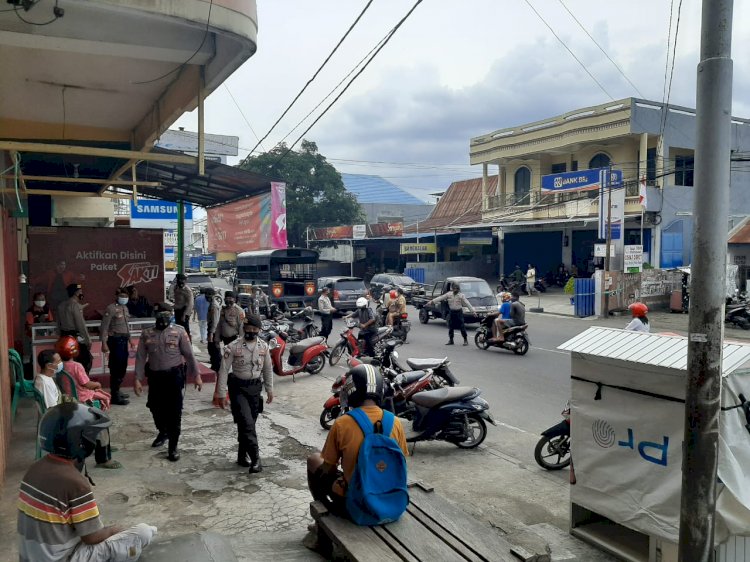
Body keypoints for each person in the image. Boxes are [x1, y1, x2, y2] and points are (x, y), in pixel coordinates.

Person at [18, 402, 156, 562]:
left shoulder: (33, 469)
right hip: (63, 558)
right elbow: (92, 537)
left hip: (30, 557)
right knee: (143, 532)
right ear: (81, 441)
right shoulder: (75, 483)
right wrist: (112, 531)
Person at [306, 364, 408, 517]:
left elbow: (329, 468)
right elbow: (402, 463)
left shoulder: (342, 423)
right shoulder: (395, 422)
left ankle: (322, 520)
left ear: (350, 391)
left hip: (357, 504)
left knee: (314, 460)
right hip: (392, 501)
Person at [134, 303, 202, 462]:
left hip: (174, 376)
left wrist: (196, 375)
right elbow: (140, 357)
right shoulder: (147, 333)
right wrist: (137, 379)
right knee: (154, 406)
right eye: (161, 313)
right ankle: (162, 431)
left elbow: (189, 355)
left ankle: (173, 447)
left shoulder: (179, 331)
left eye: (167, 313)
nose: (164, 316)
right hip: (155, 377)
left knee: (174, 411)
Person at [37, 346, 119, 469]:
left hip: (63, 411)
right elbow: (53, 409)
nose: (61, 364)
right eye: (58, 362)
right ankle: (103, 459)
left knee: (95, 415)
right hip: (62, 418)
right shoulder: (45, 383)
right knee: (100, 422)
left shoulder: (43, 378)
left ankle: (99, 446)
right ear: (49, 365)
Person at [215, 314, 273, 473]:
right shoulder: (233, 346)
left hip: (255, 388)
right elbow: (224, 370)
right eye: (248, 328)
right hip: (238, 388)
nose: (251, 331)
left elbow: (268, 369)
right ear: (243, 328)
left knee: (247, 424)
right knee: (247, 423)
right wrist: (221, 393)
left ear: (259, 330)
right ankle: (256, 459)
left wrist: (269, 389)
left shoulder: (263, 347)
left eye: (254, 329)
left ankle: (242, 455)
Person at [56, 336, 112, 411]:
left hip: (68, 395)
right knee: (106, 397)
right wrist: (98, 384)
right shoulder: (77, 366)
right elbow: (86, 384)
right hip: (81, 396)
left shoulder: (60, 366)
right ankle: (98, 415)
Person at [100, 288, 134, 406]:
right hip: (115, 341)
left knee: (123, 366)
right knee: (116, 367)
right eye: (121, 295)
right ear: (117, 296)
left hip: (123, 340)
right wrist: (103, 343)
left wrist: (130, 340)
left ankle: (117, 390)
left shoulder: (125, 308)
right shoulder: (111, 308)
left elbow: (126, 326)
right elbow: (104, 327)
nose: (124, 298)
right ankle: (114, 396)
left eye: (126, 296)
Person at [57, 283, 92, 374]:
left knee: (66, 362)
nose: (82, 293)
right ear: (76, 293)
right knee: (85, 360)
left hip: (64, 337)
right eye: (80, 291)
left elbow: (58, 323)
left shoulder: (61, 305)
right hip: (75, 337)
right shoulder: (75, 305)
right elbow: (81, 325)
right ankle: (82, 383)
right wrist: (88, 340)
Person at [205, 288, 222, 374]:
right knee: (211, 349)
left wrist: (211, 333)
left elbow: (215, 321)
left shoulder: (214, 306)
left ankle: (217, 367)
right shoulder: (212, 304)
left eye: (207, 295)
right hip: (212, 329)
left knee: (214, 349)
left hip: (213, 331)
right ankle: (215, 365)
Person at [172, 273, 194, 338]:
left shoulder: (187, 290)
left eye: (182, 280)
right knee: (177, 328)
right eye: (179, 279)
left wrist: (184, 315)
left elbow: (189, 304)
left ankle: (188, 343)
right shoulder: (176, 287)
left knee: (185, 329)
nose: (180, 281)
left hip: (184, 312)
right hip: (177, 310)